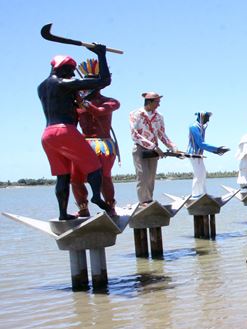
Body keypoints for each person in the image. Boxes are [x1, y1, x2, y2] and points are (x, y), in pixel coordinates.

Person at [38, 45, 113, 220]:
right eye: (71, 71)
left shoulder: (41, 87)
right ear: (63, 69)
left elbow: (63, 103)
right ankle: (96, 196)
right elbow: (104, 81)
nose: (72, 76)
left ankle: (63, 214)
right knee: (94, 166)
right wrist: (101, 54)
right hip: (64, 130)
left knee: (62, 176)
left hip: (47, 134)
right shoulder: (64, 83)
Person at [70, 59, 120, 217]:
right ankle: (83, 209)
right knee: (75, 178)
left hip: (103, 144)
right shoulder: (76, 105)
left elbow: (98, 111)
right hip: (83, 144)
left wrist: (82, 101)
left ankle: (110, 207)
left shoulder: (110, 101)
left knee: (105, 176)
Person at [129, 92, 180, 203]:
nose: (159, 105)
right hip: (140, 149)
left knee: (150, 178)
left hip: (154, 152)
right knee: (142, 176)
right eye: (157, 102)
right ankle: (143, 202)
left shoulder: (159, 116)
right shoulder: (135, 114)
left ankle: (149, 201)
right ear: (149, 102)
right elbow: (135, 135)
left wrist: (173, 148)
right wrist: (153, 147)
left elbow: (162, 134)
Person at [187, 112, 228, 198]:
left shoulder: (201, 127)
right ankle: (196, 194)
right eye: (207, 118)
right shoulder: (193, 127)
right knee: (198, 174)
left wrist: (216, 151)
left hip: (198, 154)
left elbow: (202, 144)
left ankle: (203, 193)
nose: (208, 120)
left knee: (202, 174)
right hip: (193, 153)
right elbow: (201, 144)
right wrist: (216, 149)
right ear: (201, 117)